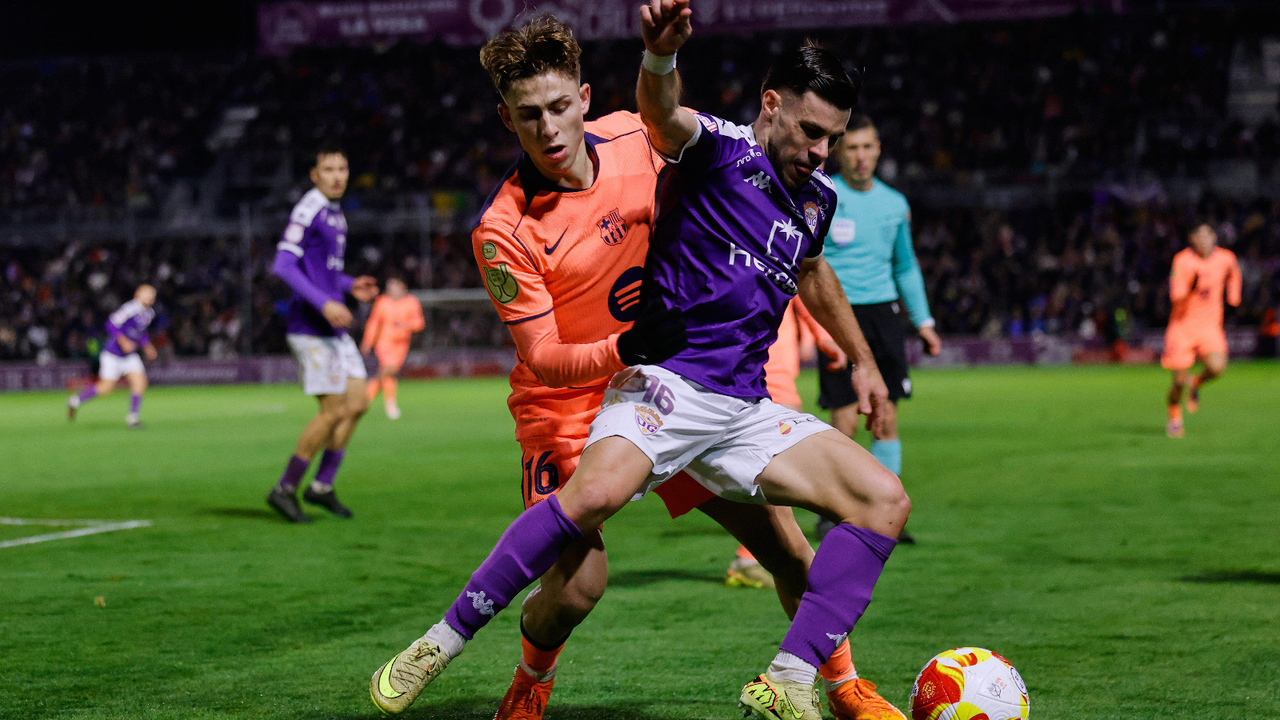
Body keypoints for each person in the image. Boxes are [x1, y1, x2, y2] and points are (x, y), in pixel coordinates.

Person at [367, 6, 910, 720]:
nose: (550, 128)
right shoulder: (502, 230)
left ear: (586, 101)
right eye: (529, 115)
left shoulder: (637, 140)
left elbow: (698, 156)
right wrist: (629, 346)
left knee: (789, 548)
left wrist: (860, 357)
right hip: (586, 395)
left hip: (702, 390)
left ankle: (828, 685)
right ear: (508, 121)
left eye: (561, 107)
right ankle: (505, 667)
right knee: (581, 585)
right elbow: (545, 356)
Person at [815, 114, 940, 542]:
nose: (861, 157)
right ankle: (834, 509)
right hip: (839, 316)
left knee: (885, 417)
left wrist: (923, 321)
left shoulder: (895, 204)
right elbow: (809, 265)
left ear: (879, 150)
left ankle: (887, 513)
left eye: (867, 147)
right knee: (845, 420)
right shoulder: (823, 193)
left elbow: (905, 265)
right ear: (838, 151)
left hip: (885, 317)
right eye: (852, 148)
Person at [266, 143, 379, 523]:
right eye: (328, 169)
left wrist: (348, 286)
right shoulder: (310, 206)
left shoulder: (334, 212)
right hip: (310, 327)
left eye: (342, 168)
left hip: (332, 328)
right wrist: (326, 303)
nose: (336, 176)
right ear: (314, 176)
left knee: (359, 402)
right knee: (332, 410)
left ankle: (321, 487)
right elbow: (283, 266)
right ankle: (284, 489)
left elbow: (323, 271)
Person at [726, 298, 845, 589]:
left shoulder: (773, 256)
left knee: (775, 475)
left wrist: (819, 336)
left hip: (765, 368)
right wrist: (823, 336)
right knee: (781, 475)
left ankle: (756, 558)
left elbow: (803, 294)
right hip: (761, 370)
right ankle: (764, 560)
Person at [1162, 221, 1241, 438]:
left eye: (1208, 235)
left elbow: (1234, 273)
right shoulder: (1182, 260)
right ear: (1192, 239)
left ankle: (1196, 382)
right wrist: (1191, 287)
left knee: (1217, 367)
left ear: (1214, 237)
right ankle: (1174, 415)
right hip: (1182, 326)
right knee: (1178, 381)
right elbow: (1175, 295)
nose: (1204, 240)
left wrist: (1234, 295)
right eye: (1200, 236)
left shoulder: (1226, 258)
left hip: (1209, 326)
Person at [67, 284, 158, 428]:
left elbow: (140, 333)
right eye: (147, 294)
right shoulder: (130, 309)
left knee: (140, 383)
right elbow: (110, 324)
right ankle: (75, 400)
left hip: (129, 356)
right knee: (105, 388)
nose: (150, 297)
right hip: (112, 354)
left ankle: (133, 419)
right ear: (137, 294)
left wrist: (147, 346)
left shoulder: (149, 313)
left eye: (152, 295)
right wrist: (123, 341)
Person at [361, 277, 425, 420]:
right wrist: (367, 342)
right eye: (389, 287)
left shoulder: (411, 302)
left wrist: (406, 325)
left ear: (403, 287)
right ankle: (390, 404)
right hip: (384, 343)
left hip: (401, 344)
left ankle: (365, 399)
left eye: (394, 286)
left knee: (386, 373)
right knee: (388, 369)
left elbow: (419, 323)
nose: (391, 290)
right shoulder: (382, 302)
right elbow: (374, 323)